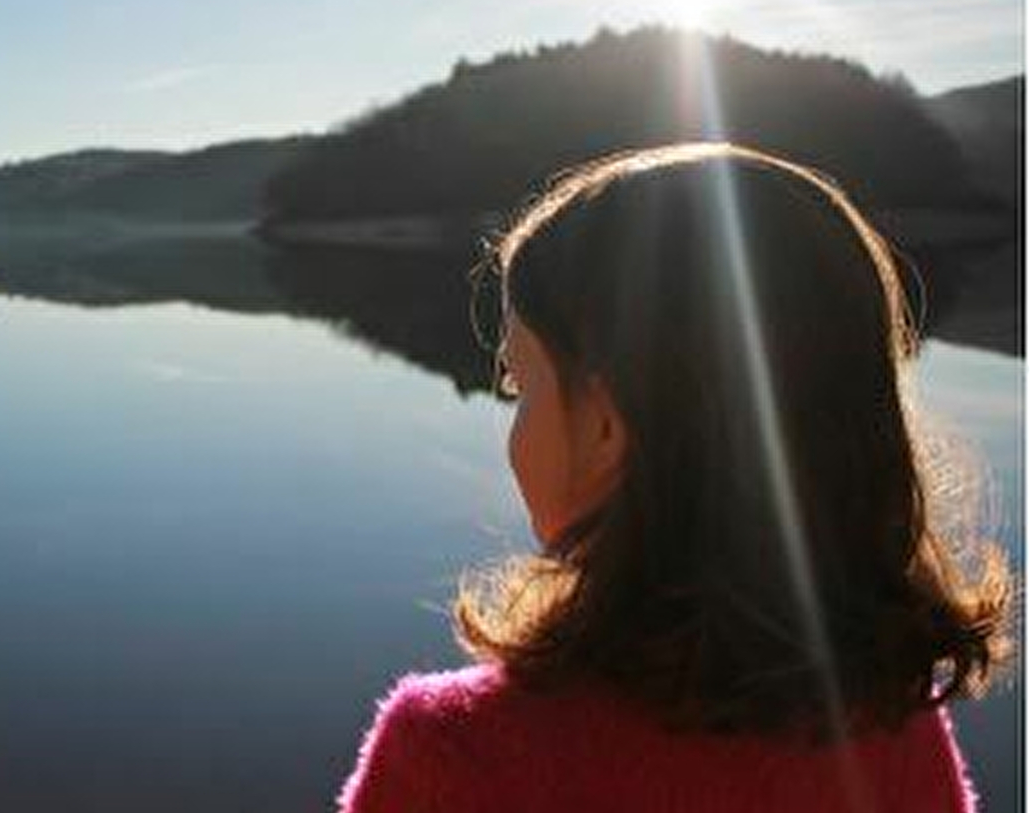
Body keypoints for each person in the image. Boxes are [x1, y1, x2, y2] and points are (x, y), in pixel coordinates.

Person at [338, 143, 1011, 812]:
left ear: (605, 428)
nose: (511, 415)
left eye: (517, 381)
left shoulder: (453, 754)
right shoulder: (893, 724)